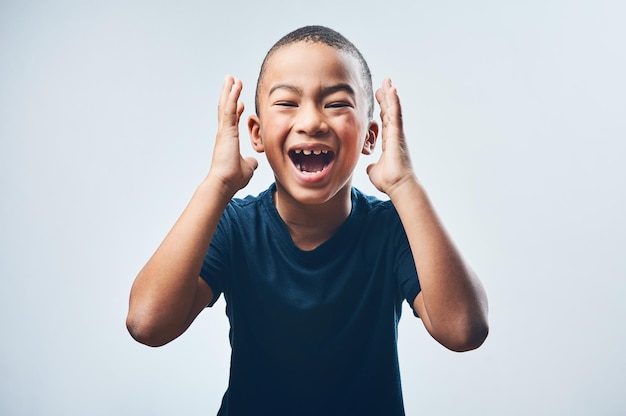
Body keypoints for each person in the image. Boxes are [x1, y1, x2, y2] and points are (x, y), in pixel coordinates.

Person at [126, 25, 489, 415]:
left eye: (336, 104)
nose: (312, 121)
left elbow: (464, 330)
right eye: (287, 103)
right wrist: (217, 183)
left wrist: (405, 184)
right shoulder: (235, 226)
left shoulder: (392, 228)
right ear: (257, 132)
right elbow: (148, 324)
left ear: (370, 137)